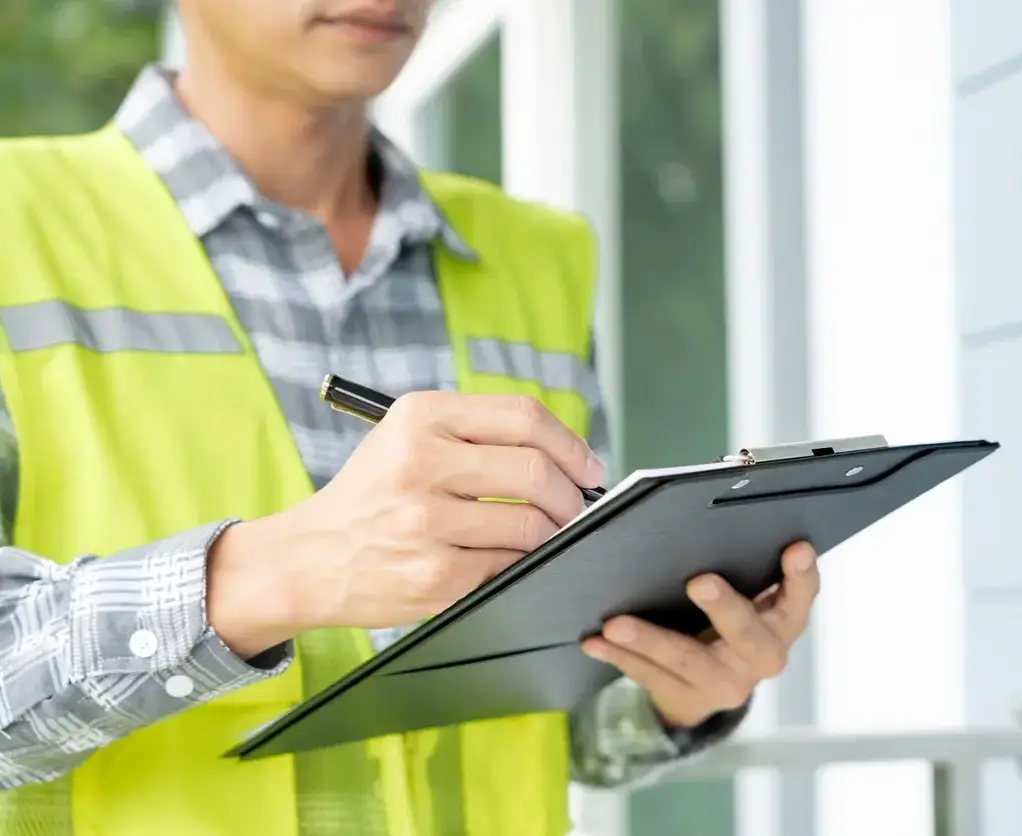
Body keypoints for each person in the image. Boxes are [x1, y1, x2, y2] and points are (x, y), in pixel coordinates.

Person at [0, 0, 820, 833]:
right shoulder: (13, 224)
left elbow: (559, 724)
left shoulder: (537, 258)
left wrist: (676, 691)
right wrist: (265, 577)